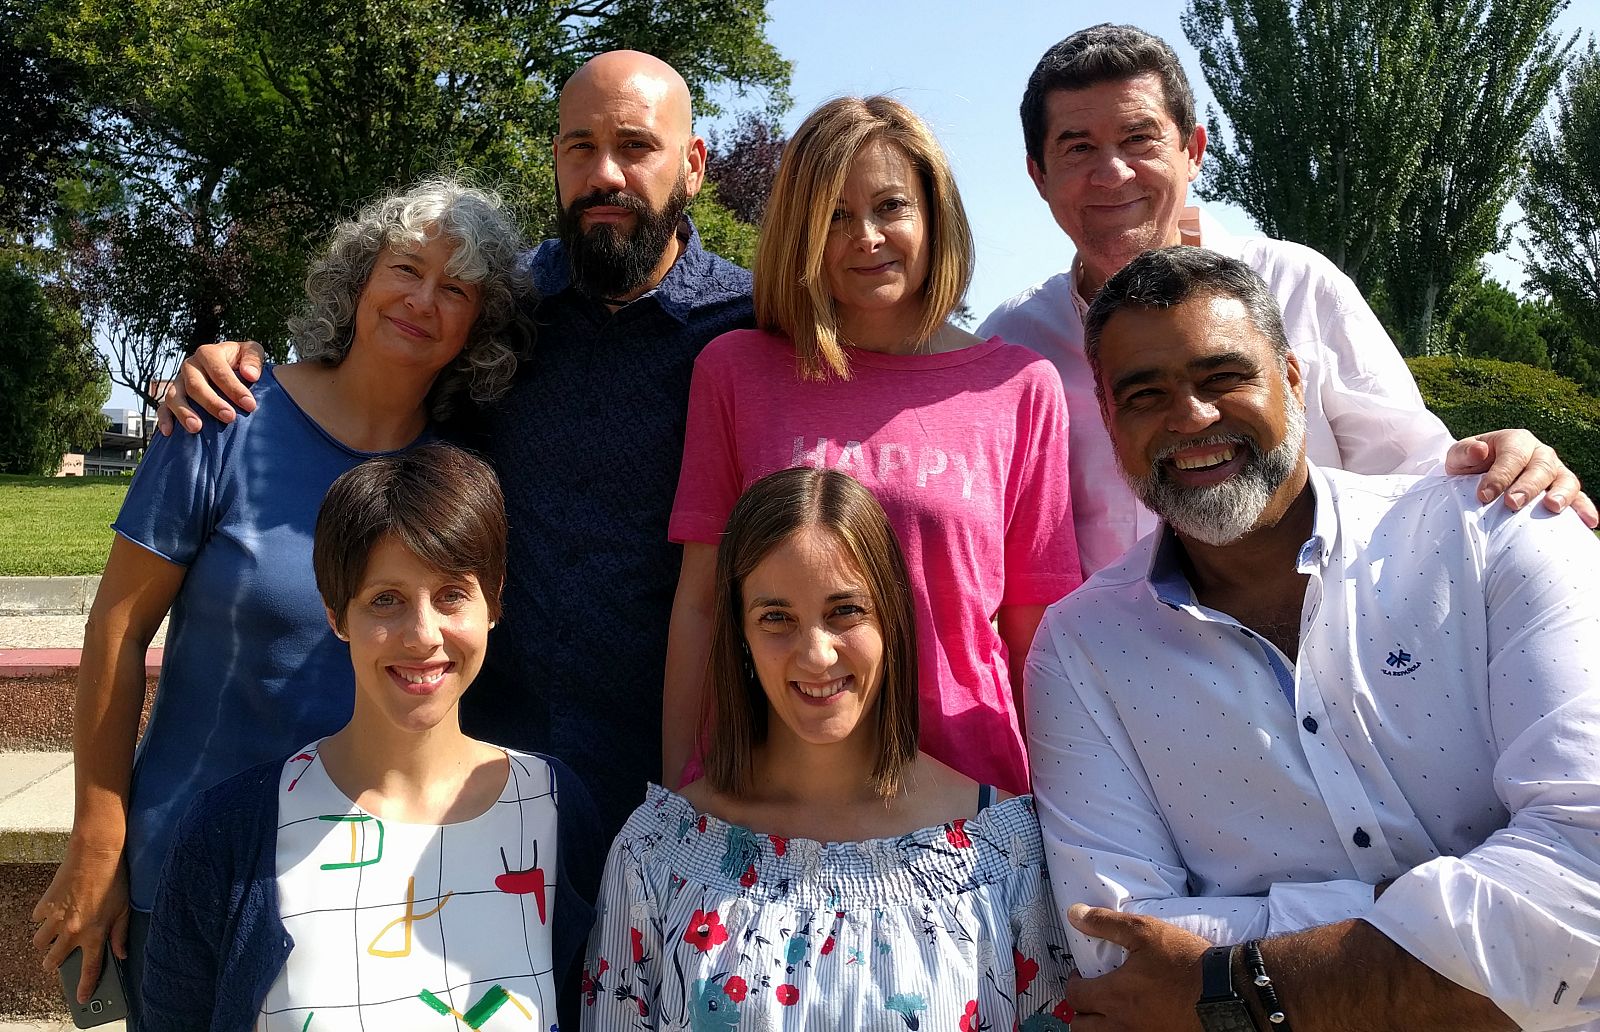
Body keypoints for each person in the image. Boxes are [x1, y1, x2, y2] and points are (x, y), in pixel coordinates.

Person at [154, 51, 755, 838]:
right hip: (472, 797)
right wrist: (238, 367)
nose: (604, 173)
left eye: (636, 146)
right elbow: (377, 369)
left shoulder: (751, 329)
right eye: (580, 147)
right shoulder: (499, 306)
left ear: (694, 164)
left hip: (673, 796)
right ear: (556, 158)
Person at [1026, 246, 1600, 1031]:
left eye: (1222, 376)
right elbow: (1118, 953)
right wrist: (1470, 911)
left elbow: (1587, 870)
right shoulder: (1081, 650)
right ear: (1108, 420)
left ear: (1294, 378)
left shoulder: (1497, 534)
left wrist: (1234, 990)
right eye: (1145, 394)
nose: (1191, 417)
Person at [30, 175, 527, 1023]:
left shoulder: (455, 479)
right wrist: (97, 838)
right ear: (360, 278)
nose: (422, 300)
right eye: (406, 268)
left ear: (478, 327)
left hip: (370, 886)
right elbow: (118, 628)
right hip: (186, 870)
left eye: (456, 289)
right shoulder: (225, 419)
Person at [980, 22, 1597, 577]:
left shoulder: (1300, 286)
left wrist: (1504, 464)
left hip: (1327, 648)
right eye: (1078, 147)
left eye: (1140, 138)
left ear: (1193, 152)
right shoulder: (1009, 346)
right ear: (1038, 175)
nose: (1112, 172)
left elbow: (1416, 477)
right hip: (1108, 665)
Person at [662, 96, 1080, 798]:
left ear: (934, 215)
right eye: (834, 215)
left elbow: (1038, 631)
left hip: (969, 787)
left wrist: (1064, 810)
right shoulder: (735, 372)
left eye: (891, 207)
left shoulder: (1019, 386)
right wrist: (681, 785)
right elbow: (702, 603)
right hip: (773, 787)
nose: (866, 237)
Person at [587, 467, 1076, 1031]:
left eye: (845, 611)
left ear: (892, 619)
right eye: (776, 618)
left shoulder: (1007, 857)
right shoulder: (653, 857)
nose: (817, 655)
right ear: (739, 633)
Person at [142, 443, 603, 1031]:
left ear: (493, 601)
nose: (422, 635)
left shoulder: (556, 809)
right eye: (386, 600)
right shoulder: (230, 833)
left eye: (452, 595)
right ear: (337, 614)